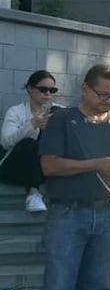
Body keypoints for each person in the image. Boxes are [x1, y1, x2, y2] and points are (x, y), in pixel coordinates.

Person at [37, 64, 110, 290]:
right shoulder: (62, 120)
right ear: (85, 89)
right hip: (68, 214)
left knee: (98, 288)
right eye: (102, 94)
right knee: (59, 289)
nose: (108, 101)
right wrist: (96, 164)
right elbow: (49, 165)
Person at [0, 69, 61, 212]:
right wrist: (32, 124)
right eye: (43, 89)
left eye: (52, 90)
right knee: (30, 144)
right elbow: (6, 142)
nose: (47, 94)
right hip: (13, 168)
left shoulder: (55, 111)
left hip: (43, 168)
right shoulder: (15, 112)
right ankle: (33, 193)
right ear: (30, 89)